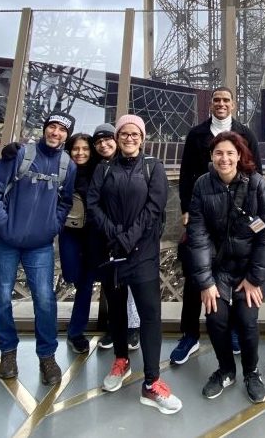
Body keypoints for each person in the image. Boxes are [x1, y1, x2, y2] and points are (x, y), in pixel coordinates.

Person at [86, 114, 182, 415]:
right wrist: (115, 235)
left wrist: (128, 238)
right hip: (113, 250)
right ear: (117, 137)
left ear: (143, 138)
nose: (129, 138)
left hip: (142, 253)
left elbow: (155, 207)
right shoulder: (103, 170)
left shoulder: (154, 169)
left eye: (134, 134)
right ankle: (121, 360)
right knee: (116, 312)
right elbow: (93, 204)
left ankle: (152, 381)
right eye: (124, 134)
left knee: (150, 315)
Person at [0, 111, 77, 385]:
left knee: (45, 300)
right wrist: (3, 224)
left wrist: (52, 226)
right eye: (52, 127)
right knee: (1, 297)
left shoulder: (68, 166)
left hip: (39, 245)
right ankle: (8, 353)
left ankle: (47, 356)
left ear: (67, 136)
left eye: (62, 130)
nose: (55, 133)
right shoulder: (20, 155)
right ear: (45, 129)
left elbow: (65, 202)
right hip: (2, 241)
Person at [171, 86, 263, 365]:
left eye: (226, 100)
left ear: (233, 104)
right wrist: (187, 209)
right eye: (216, 100)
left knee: (233, 273)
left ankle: (233, 330)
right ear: (210, 104)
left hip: (234, 217)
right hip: (202, 214)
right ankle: (190, 334)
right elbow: (186, 174)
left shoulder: (245, 134)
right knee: (195, 275)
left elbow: (254, 172)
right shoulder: (196, 134)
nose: (221, 104)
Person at [187, 131, 265, 404]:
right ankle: (226, 369)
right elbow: (198, 235)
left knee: (248, 322)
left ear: (239, 155)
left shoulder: (257, 185)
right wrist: (206, 282)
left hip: (250, 268)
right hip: (219, 269)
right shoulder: (202, 185)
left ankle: (251, 372)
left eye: (229, 153)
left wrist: (255, 279)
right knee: (215, 319)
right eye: (218, 153)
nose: (224, 158)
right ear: (212, 157)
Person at [91, 123, 141, 352]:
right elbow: (93, 202)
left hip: (135, 236)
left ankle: (132, 328)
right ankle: (117, 327)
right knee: (114, 285)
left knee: (133, 285)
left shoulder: (141, 165)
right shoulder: (101, 167)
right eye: (98, 142)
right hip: (108, 236)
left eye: (108, 139)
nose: (104, 144)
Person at [60, 133, 99, 354]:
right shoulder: (63, 171)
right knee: (72, 274)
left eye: (85, 149)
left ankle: (76, 332)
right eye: (76, 148)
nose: (80, 153)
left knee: (85, 282)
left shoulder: (99, 170)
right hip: (70, 232)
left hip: (93, 233)